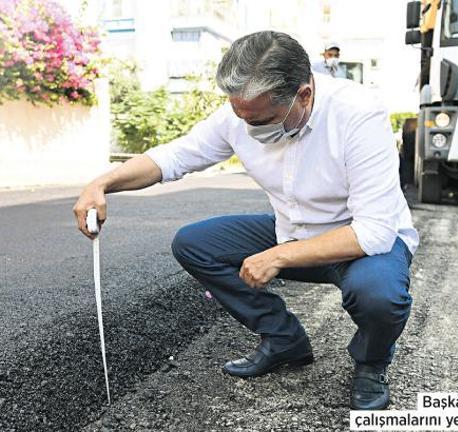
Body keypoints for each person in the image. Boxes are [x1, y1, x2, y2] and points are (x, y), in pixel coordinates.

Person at [73, 31, 418, 411]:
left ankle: (371, 362)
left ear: (303, 95)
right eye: (241, 117)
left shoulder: (357, 113)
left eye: (263, 119)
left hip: (361, 245)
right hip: (291, 231)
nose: (250, 129)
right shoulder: (241, 114)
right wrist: (103, 182)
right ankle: (284, 339)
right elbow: (173, 158)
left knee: (379, 295)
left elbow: (374, 231)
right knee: (194, 243)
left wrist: (279, 257)